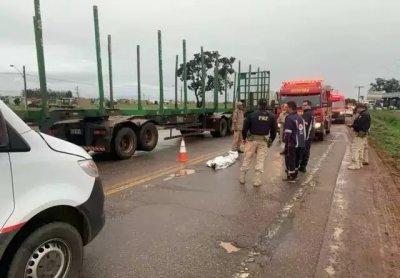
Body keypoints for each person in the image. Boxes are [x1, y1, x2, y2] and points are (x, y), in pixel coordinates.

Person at [239, 99, 277, 187]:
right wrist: (271, 139)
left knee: (247, 158)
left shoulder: (251, 115)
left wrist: (244, 138)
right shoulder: (271, 116)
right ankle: (257, 181)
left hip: (251, 140)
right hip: (263, 141)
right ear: (266, 105)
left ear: (258, 105)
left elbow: (245, 129)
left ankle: (242, 178)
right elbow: (274, 130)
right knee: (260, 160)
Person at [283, 101, 306, 182]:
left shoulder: (289, 118)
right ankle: (295, 173)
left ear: (290, 107)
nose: (286, 109)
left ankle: (291, 176)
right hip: (301, 143)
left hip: (293, 143)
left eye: (286, 107)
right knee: (296, 159)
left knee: (290, 159)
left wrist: (286, 143)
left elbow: (288, 133)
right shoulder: (300, 117)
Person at [348, 103, 371, 170]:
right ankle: (360, 163)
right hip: (363, 134)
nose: (357, 109)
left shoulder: (364, 115)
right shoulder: (365, 114)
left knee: (355, 148)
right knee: (360, 149)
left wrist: (352, 125)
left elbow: (359, 125)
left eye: (357, 108)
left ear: (361, 108)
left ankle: (355, 164)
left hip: (360, 134)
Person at [299, 100, 314, 172]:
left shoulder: (307, 114)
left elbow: (304, 125)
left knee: (305, 151)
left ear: (309, 106)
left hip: (307, 135)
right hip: (309, 134)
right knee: (306, 151)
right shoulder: (309, 113)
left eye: (305, 105)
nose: (303, 106)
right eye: (303, 105)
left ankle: (303, 166)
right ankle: (303, 166)